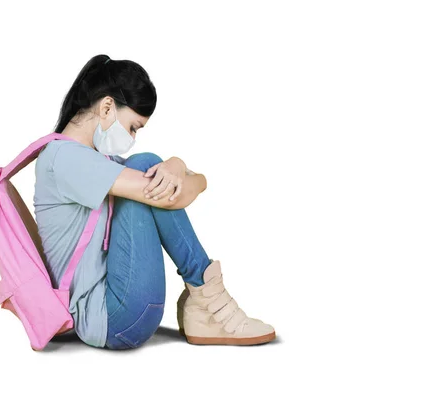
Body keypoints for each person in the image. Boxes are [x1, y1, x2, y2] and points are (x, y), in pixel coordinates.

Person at [34, 54, 276, 350]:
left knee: (148, 167)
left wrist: (177, 164)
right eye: (134, 127)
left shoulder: (99, 160)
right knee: (146, 163)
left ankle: (205, 300)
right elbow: (175, 194)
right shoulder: (65, 159)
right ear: (107, 106)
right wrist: (177, 172)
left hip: (122, 306)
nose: (132, 137)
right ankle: (209, 299)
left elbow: (193, 185)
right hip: (114, 319)